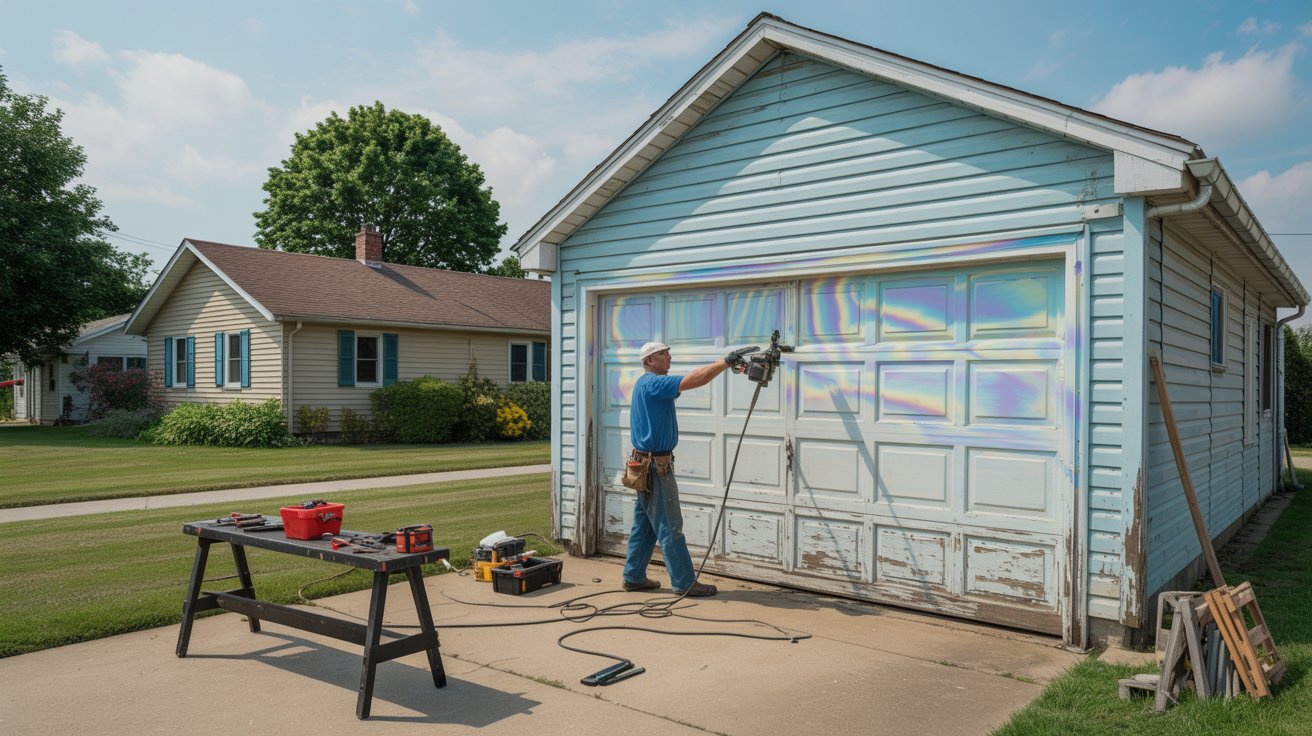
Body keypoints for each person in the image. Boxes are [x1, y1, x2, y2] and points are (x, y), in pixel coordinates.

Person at [622, 340, 744, 597]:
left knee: (645, 525)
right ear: (649, 361)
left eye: (669, 353)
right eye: (663, 354)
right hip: (656, 467)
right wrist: (726, 362)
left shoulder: (645, 384)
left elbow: (687, 382)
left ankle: (633, 577)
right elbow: (694, 380)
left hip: (643, 465)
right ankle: (684, 582)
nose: (669, 357)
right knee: (670, 526)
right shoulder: (654, 383)